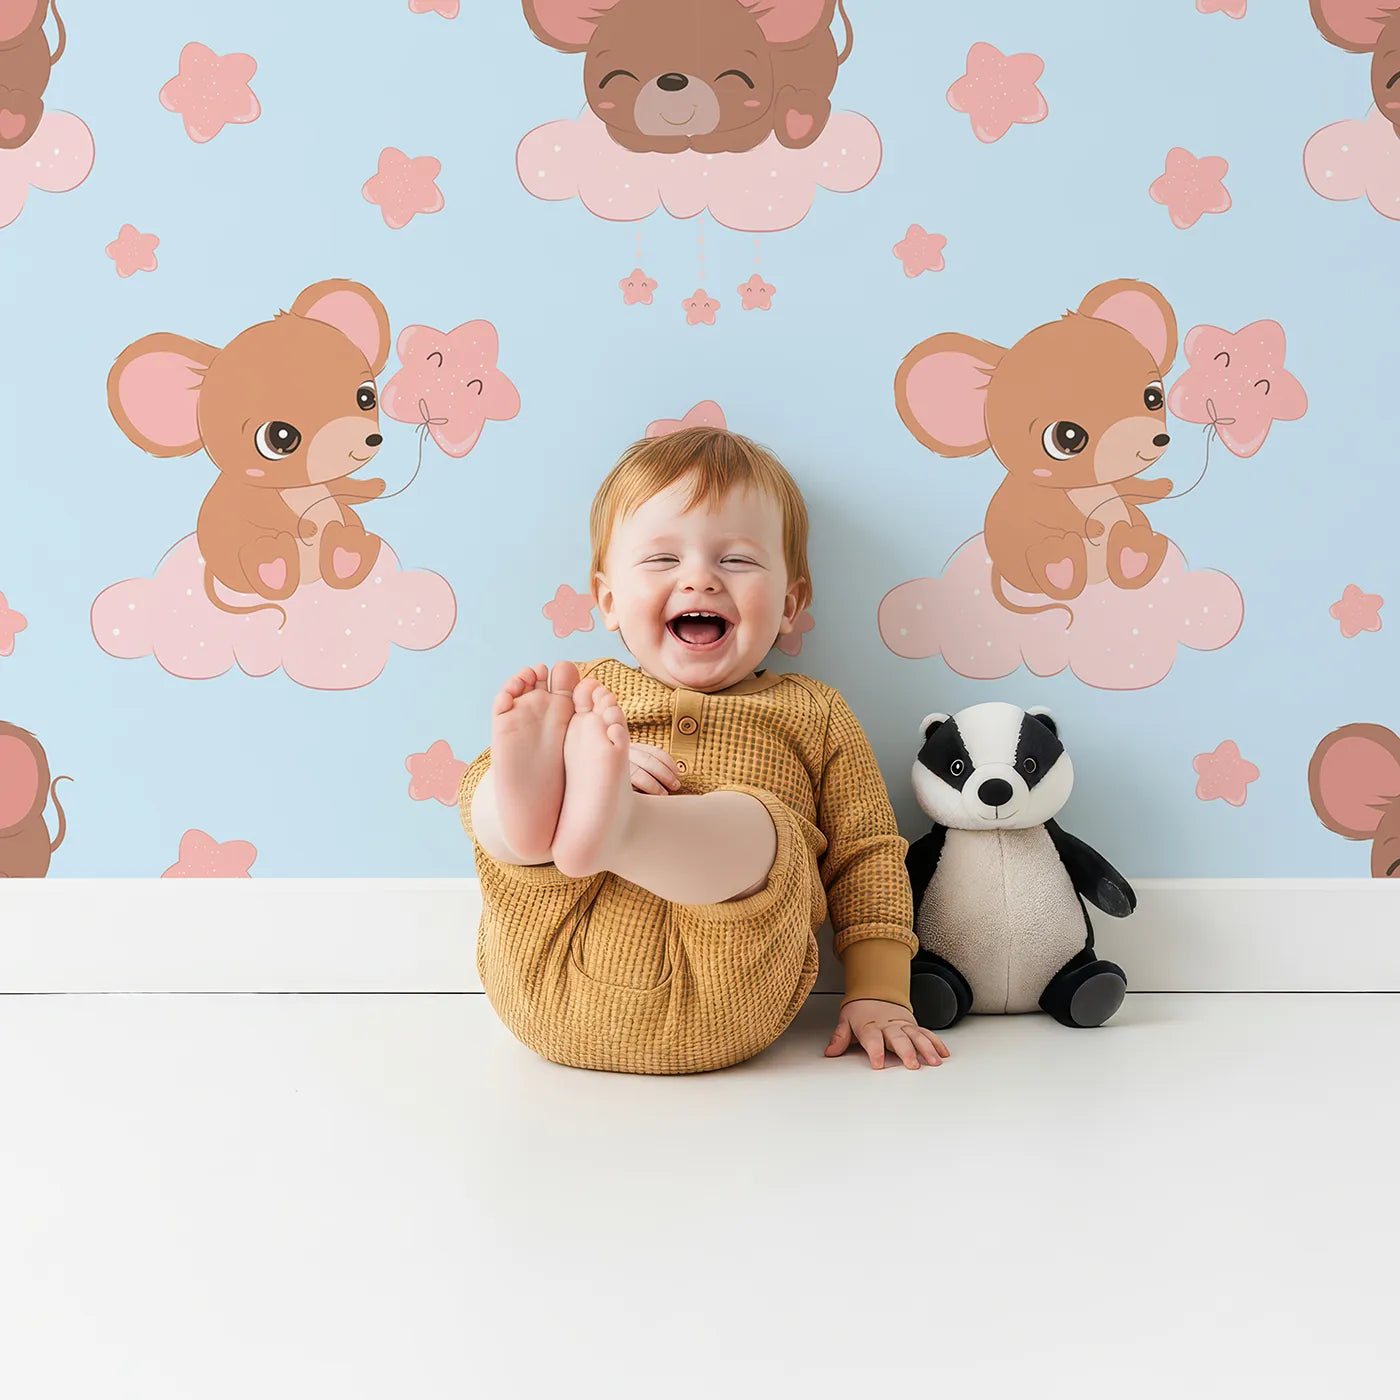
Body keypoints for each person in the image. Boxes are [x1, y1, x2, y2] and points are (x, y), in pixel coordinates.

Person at [458, 426, 949, 1075]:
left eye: (737, 561)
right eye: (663, 560)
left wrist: (880, 990)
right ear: (607, 599)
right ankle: (544, 812)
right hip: (548, 967)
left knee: (760, 823)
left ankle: (617, 825)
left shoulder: (812, 713)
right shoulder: (580, 697)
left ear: (790, 604)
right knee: (492, 790)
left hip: (728, 993)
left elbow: (867, 857)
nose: (700, 580)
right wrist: (572, 769)